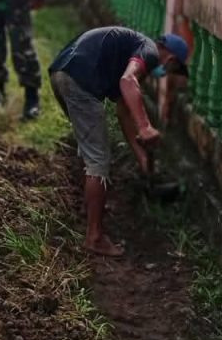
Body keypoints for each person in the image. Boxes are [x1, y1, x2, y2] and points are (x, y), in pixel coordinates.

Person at [49, 27, 189, 257]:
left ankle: (90, 207)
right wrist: (144, 126)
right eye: (174, 68)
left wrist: (141, 156)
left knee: (92, 150)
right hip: (79, 80)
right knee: (99, 160)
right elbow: (128, 80)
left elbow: (124, 111)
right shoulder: (150, 51)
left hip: (62, 73)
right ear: (171, 58)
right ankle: (94, 237)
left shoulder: (131, 48)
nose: (168, 73)